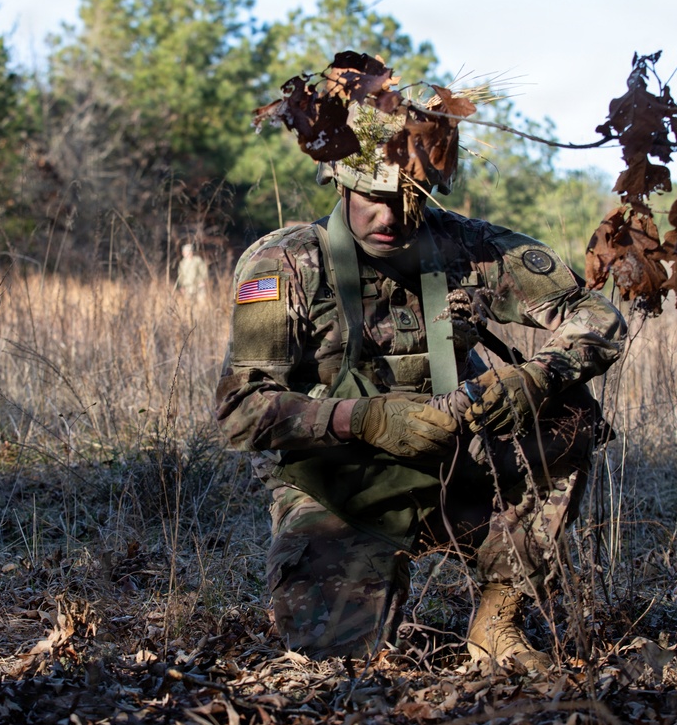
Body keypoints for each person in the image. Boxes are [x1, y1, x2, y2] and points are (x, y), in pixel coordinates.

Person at [216, 52, 626, 670]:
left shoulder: (468, 245)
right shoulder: (287, 263)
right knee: (335, 661)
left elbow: (596, 316)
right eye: (372, 200)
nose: (391, 218)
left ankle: (498, 623)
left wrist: (535, 379)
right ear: (340, 184)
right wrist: (367, 420)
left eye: (409, 200)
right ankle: (368, 580)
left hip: (456, 463)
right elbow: (241, 412)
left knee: (567, 413)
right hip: (338, 484)